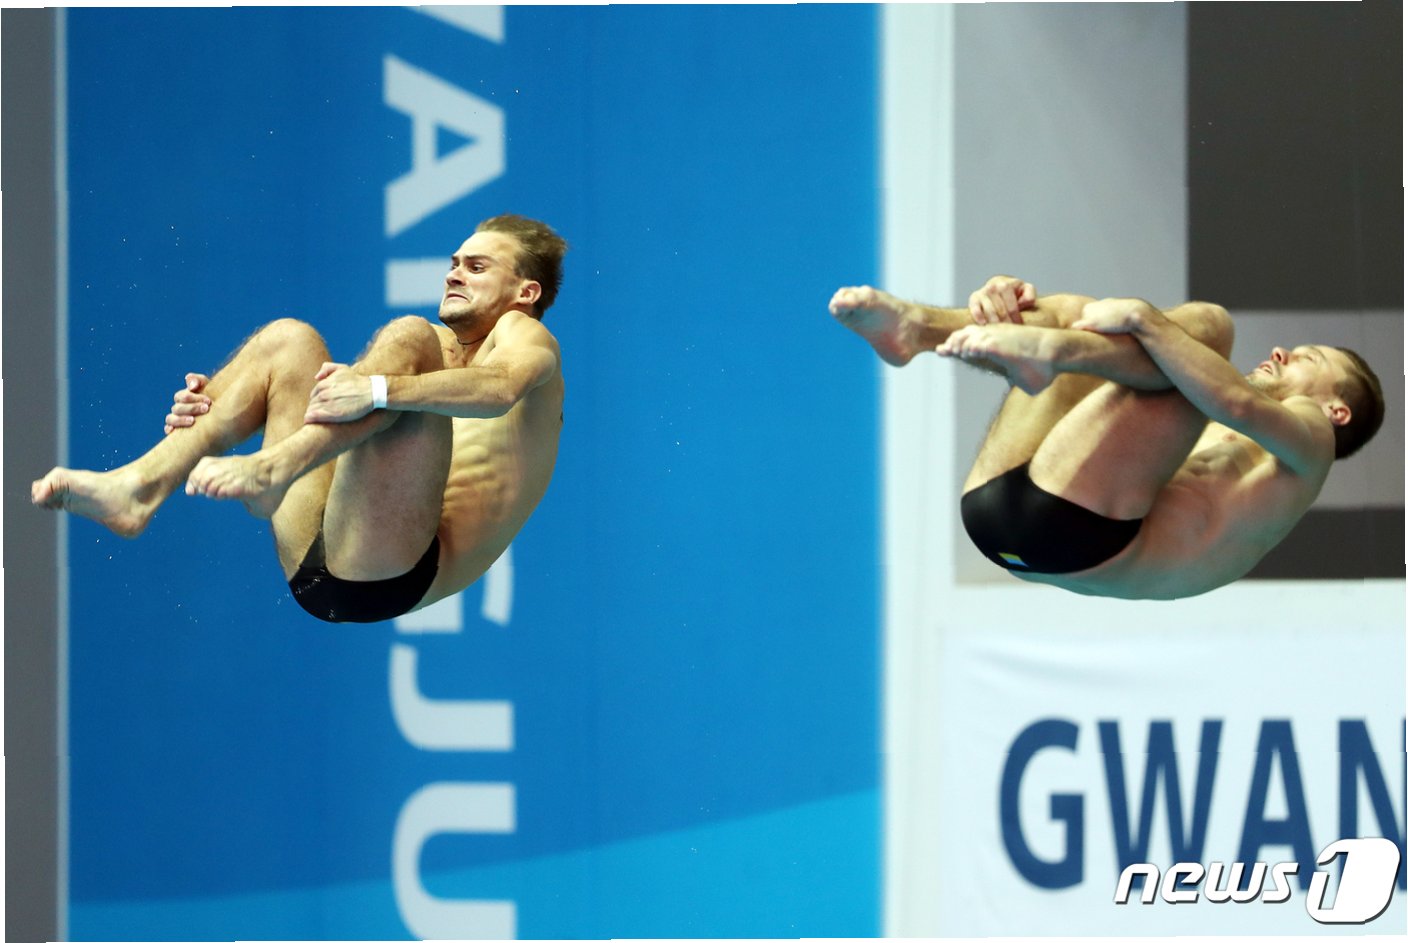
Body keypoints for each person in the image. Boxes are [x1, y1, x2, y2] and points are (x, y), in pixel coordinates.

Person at [33, 213, 567, 623]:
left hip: (394, 573)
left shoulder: (526, 336)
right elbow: (347, 407)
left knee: (408, 339)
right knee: (289, 340)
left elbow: (499, 389)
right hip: (318, 558)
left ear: (526, 292)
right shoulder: (442, 350)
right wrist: (210, 401)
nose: (454, 274)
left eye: (476, 267)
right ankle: (138, 487)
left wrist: (372, 389)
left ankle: (274, 469)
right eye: (454, 263)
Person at [830, 276, 1385, 599]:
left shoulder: (1310, 444)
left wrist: (1143, 318)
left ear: (1336, 410)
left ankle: (1050, 353)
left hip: (1079, 534)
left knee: (1210, 328)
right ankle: (919, 330)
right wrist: (1017, 319)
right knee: (1074, 312)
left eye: (1308, 359)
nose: (1281, 352)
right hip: (1016, 514)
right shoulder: (1208, 423)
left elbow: (1234, 402)